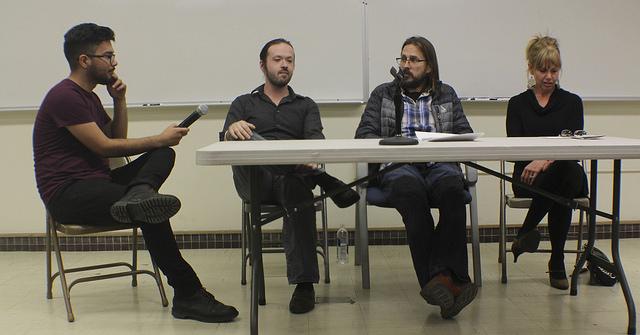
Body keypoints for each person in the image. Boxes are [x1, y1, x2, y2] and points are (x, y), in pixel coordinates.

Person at [33, 23, 238, 322]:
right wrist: (159, 136)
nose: (114, 63)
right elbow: (105, 147)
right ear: (84, 60)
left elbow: (118, 139)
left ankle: (140, 192)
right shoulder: (64, 96)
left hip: (97, 183)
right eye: (108, 56)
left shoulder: (89, 97)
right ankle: (188, 294)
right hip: (69, 194)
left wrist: (120, 101)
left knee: (162, 154)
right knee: (149, 207)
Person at [222, 38, 360, 315]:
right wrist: (231, 130)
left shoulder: (305, 105)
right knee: (248, 138)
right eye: (277, 59)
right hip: (255, 181)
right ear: (263, 65)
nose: (284, 65)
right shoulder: (243, 103)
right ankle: (328, 182)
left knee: (296, 189)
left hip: (293, 182)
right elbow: (226, 143)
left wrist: (309, 159)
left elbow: (315, 145)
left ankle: (304, 285)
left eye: (289, 60)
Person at [355, 36, 477, 319]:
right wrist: (392, 145)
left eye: (413, 60)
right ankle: (451, 280)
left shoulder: (446, 94)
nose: (406, 65)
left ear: (430, 66)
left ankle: (441, 282)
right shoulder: (384, 94)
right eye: (403, 59)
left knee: (453, 192)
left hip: (439, 163)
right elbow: (364, 135)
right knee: (411, 196)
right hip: (399, 165)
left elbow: (463, 132)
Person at [506, 35, 587, 290]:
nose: (549, 76)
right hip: (527, 179)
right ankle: (557, 262)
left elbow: (574, 147)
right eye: (543, 70)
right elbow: (514, 151)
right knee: (564, 185)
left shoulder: (572, 102)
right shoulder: (517, 104)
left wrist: (544, 160)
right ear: (531, 68)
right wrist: (537, 162)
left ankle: (524, 233)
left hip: (563, 171)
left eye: (554, 70)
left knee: (565, 171)